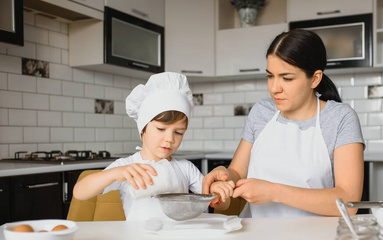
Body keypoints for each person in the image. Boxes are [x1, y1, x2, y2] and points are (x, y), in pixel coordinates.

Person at [203, 29, 365, 218]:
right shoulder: (261, 112)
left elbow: (348, 202)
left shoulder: (340, 118)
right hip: (257, 237)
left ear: (315, 78)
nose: (274, 88)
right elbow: (237, 172)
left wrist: (273, 192)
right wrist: (223, 176)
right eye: (270, 76)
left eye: (287, 78)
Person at [73, 72, 205, 221]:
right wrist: (115, 173)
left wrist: (218, 190)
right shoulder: (127, 167)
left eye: (178, 132)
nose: (169, 139)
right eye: (161, 129)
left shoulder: (185, 168)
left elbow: (217, 201)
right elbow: (79, 192)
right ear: (143, 128)